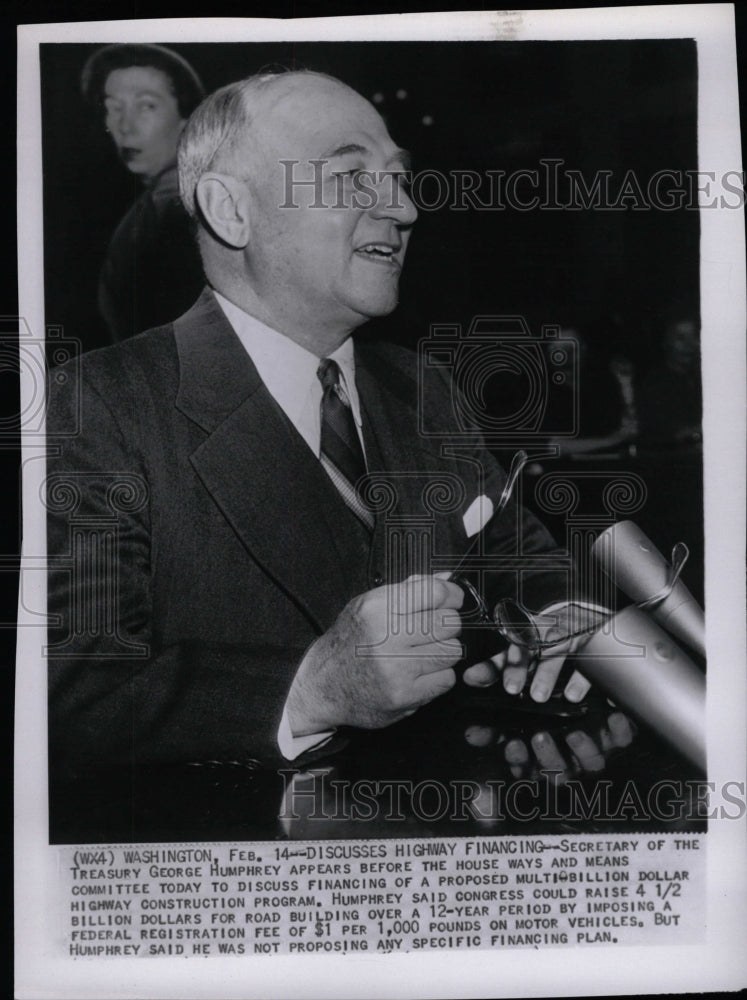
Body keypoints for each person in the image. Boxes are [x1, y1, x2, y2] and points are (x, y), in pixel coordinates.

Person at [47, 70, 592, 788]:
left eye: (397, 178)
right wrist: (309, 689)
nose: (402, 209)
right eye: (351, 177)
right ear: (230, 212)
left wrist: (559, 615)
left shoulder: (420, 386)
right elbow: (70, 694)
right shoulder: (99, 404)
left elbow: (521, 562)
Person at [80, 44, 206, 342]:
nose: (125, 126)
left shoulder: (177, 205)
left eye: (147, 106)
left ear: (186, 117)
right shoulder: (153, 202)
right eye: (114, 108)